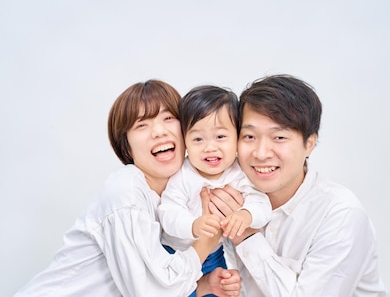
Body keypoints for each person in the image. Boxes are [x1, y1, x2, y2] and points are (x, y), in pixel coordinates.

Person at [13, 80, 241, 297]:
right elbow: (150, 293)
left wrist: (204, 284)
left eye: (168, 118)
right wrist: (206, 242)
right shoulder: (126, 191)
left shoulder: (179, 195)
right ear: (127, 147)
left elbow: (157, 277)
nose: (159, 131)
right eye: (142, 124)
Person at [208, 74, 389, 297]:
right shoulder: (228, 193)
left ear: (309, 144)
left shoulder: (340, 215)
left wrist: (246, 237)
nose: (261, 153)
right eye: (249, 136)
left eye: (279, 137)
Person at [158, 85, 272, 296]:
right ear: (185, 142)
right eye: (198, 139)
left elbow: (262, 204)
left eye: (220, 137)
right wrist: (193, 225)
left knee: (224, 285)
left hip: (213, 254)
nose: (210, 147)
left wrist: (246, 215)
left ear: (237, 137)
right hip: (174, 252)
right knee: (172, 290)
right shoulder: (182, 174)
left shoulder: (239, 173)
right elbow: (168, 212)